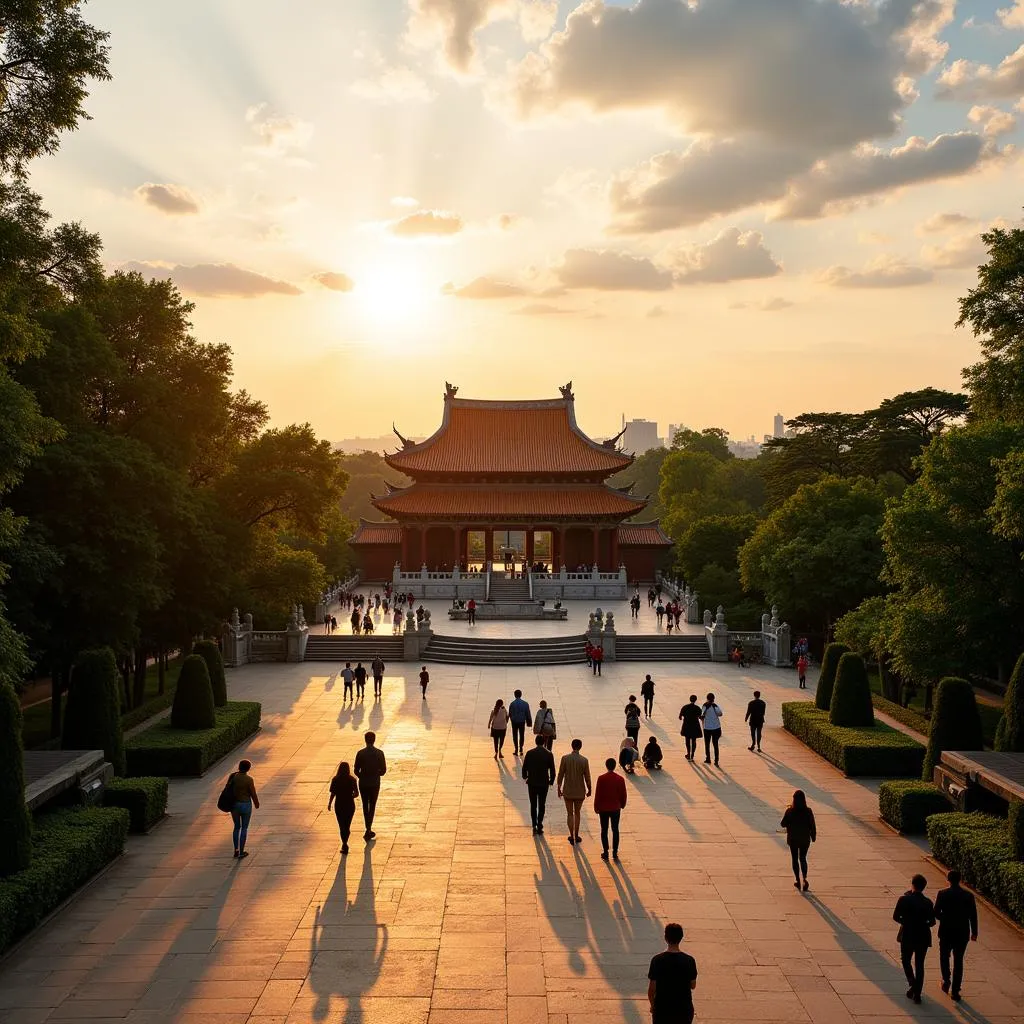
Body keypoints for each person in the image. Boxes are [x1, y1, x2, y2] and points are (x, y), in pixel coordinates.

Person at [934, 869, 978, 1002]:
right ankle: (955, 991)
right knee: (958, 960)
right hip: (962, 932)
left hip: (946, 930)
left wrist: (945, 918)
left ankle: (946, 979)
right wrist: (974, 932)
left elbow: (936, 912)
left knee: (944, 956)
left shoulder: (942, 894)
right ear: (960, 879)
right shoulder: (968, 896)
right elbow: (973, 916)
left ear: (947, 879)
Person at [893, 874, 936, 1004]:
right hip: (922, 935)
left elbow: (895, 916)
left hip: (908, 934)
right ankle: (917, 993)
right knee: (920, 964)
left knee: (906, 960)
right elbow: (932, 922)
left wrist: (905, 922)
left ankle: (913, 984)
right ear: (924, 887)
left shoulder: (904, 899)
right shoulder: (928, 902)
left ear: (912, 884)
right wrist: (923, 925)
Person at [648, 922, 698, 1024]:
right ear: (681, 938)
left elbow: (651, 990)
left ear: (665, 938)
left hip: (662, 1009)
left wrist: (653, 1006)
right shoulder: (689, 960)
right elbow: (693, 985)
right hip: (683, 1009)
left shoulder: (657, 960)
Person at [556, 738, 592, 845]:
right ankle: (577, 835)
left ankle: (571, 835)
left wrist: (559, 788)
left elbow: (560, 774)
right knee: (577, 813)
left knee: (569, 814)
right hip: (580, 791)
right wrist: (589, 789)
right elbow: (587, 777)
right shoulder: (584, 760)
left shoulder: (565, 759)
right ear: (580, 747)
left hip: (568, 790)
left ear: (572, 746)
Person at [353, 731, 387, 840]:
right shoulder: (379, 753)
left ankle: (367, 827)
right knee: (372, 806)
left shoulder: (360, 753)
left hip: (363, 783)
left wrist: (362, 776)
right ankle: (368, 828)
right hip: (374, 783)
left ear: (365, 740)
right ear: (374, 740)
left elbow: (356, 770)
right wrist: (376, 774)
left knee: (364, 805)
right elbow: (383, 770)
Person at [780, 789, 816, 890]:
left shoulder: (790, 811)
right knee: (803, 858)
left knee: (795, 859)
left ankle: (797, 880)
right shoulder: (808, 811)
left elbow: (783, 824)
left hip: (793, 839)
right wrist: (813, 837)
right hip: (805, 839)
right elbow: (812, 825)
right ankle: (804, 879)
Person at [594, 757, 627, 861]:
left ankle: (605, 851)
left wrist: (596, 806)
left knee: (604, 830)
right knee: (615, 829)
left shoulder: (601, 778)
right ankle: (615, 852)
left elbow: (598, 794)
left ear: (606, 766)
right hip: (615, 808)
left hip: (603, 808)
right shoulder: (620, 779)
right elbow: (623, 794)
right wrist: (622, 804)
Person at [522, 734, 556, 834]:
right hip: (543, 783)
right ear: (544, 742)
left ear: (536, 742)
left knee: (533, 805)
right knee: (542, 804)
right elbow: (552, 770)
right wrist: (551, 781)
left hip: (532, 782)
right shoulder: (549, 754)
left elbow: (525, 768)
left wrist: (525, 777)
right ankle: (540, 824)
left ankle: (534, 824)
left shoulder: (530, 753)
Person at [229, 759, 259, 858]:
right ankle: (242, 851)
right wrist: (256, 803)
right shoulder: (249, 779)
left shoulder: (233, 777)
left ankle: (235, 850)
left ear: (239, 766)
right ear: (248, 768)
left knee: (236, 827)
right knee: (244, 828)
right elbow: (253, 793)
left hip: (235, 805)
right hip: (246, 804)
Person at [327, 761, 358, 854]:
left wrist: (329, 803)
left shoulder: (335, 779)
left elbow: (333, 793)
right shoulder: (352, 779)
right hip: (350, 805)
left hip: (339, 804)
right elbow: (356, 794)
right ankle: (345, 843)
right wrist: (350, 796)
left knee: (341, 826)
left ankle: (344, 844)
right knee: (347, 825)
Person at [701, 693, 724, 766]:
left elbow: (702, 714)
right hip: (716, 727)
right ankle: (716, 760)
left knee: (707, 744)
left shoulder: (705, 705)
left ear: (707, 698)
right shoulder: (715, 706)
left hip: (707, 727)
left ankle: (708, 758)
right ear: (714, 698)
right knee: (715, 744)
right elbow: (720, 714)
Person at [508, 689, 533, 756]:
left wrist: (510, 719)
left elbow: (510, 713)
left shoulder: (512, 704)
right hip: (522, 721)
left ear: (515, 695)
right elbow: (528, 713)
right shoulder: (525, 703)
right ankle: (521, 748)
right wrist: (529, 721)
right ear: (521, 695)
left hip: (514, 722)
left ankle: (516, 749)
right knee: (522, 735)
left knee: (515, 735)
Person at [679, 695, 702, 761]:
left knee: (687, 740)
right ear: (695, 700)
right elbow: (700, 717)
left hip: (687, 726)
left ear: (690, 699)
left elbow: (680, 717)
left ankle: (688, 753)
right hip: (695, 726)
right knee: (694, 741)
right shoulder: (697, 708)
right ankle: (692, 755)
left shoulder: (685, 707)